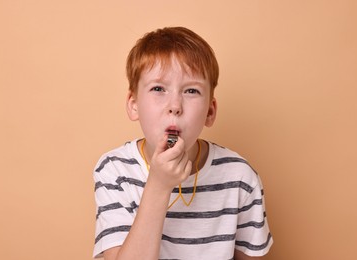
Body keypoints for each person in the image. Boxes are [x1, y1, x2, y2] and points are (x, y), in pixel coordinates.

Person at [93, 26, 273, 260]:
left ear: (210, 111)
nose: (175, 105)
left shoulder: (240, 177)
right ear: (134, 104)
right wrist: (158, 184)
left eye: (191, 90)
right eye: (158, 88)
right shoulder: (114, 171)